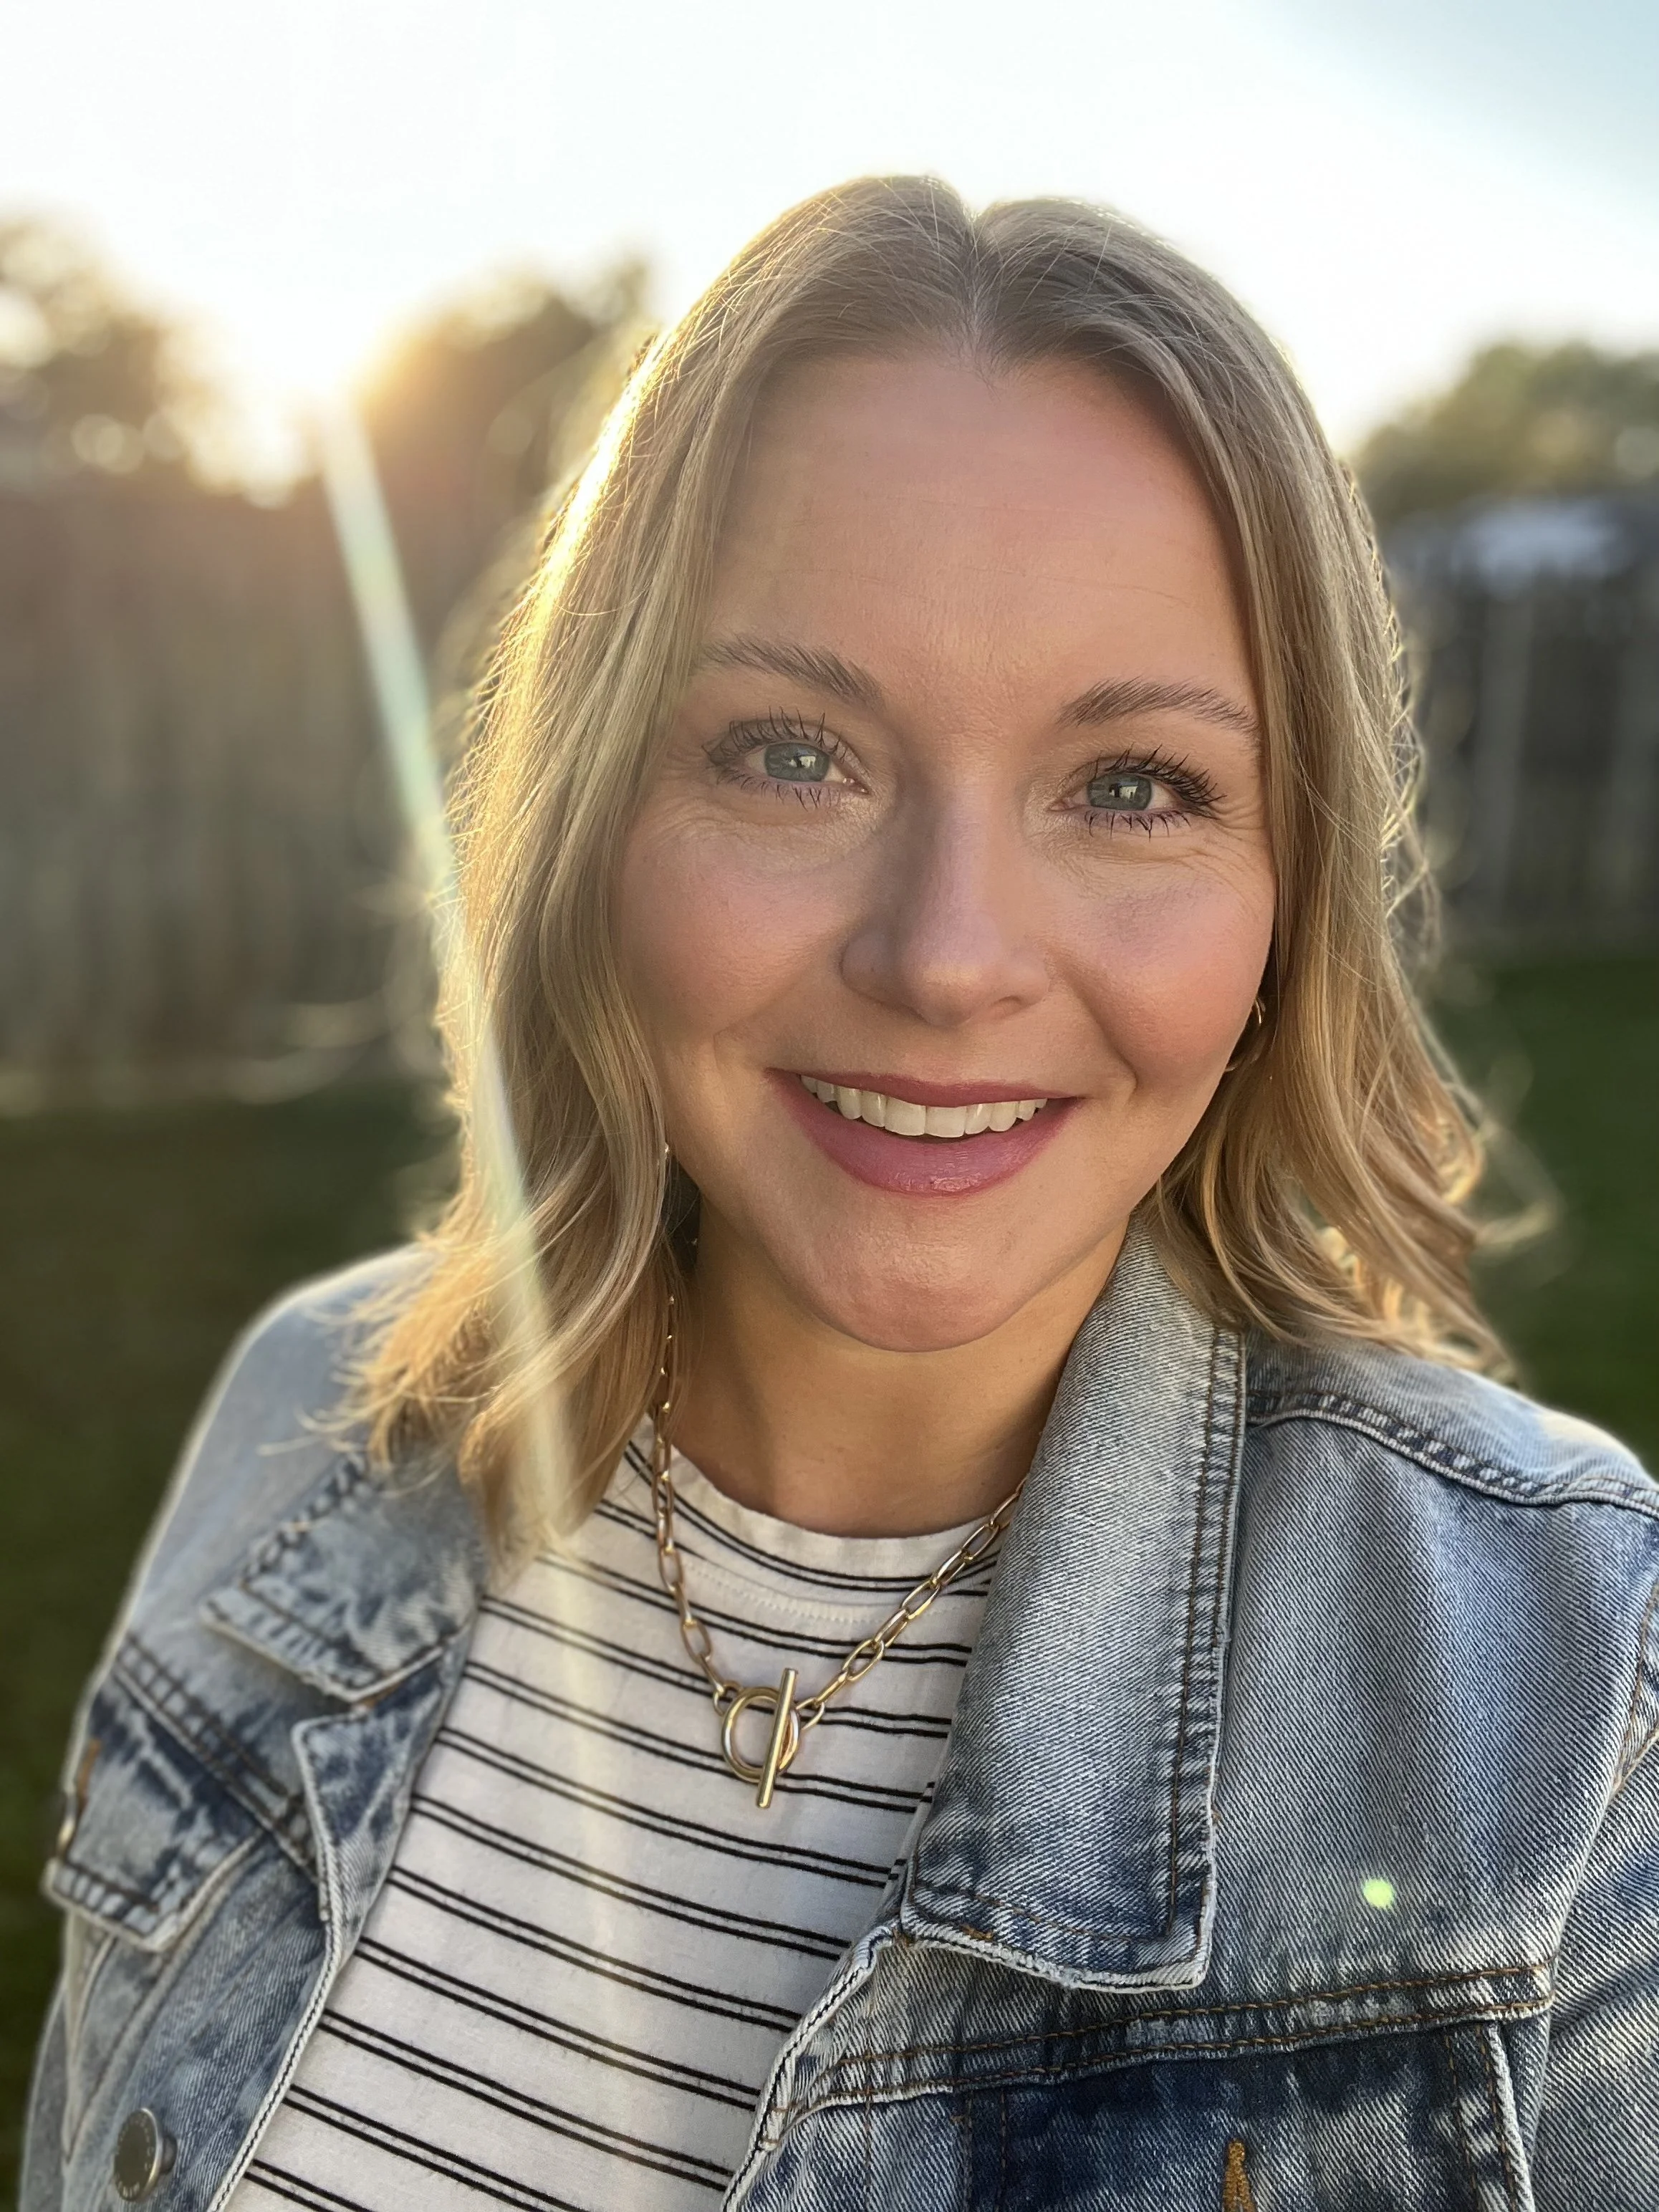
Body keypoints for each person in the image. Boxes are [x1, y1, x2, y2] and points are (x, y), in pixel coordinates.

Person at [22, 178, 1659, 2212]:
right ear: (600, 810)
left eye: (1131, 785)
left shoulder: (1576, 1707)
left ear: (1282, 891)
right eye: (792, 753)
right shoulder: (307, 1416)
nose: (947, 954)